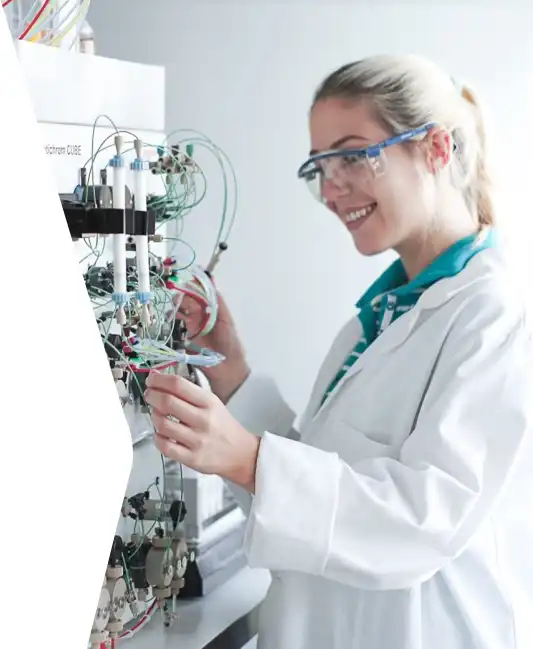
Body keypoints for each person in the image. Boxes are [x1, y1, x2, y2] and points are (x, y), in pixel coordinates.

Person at [144, 54, 533, 649]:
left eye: (353, 156)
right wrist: (233, 370)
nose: (330, 189)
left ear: (434, 149)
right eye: (319, 167)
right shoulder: (380, 316)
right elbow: (322, 483)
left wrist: (248, 459)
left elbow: (420, 523)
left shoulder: (491, 313)